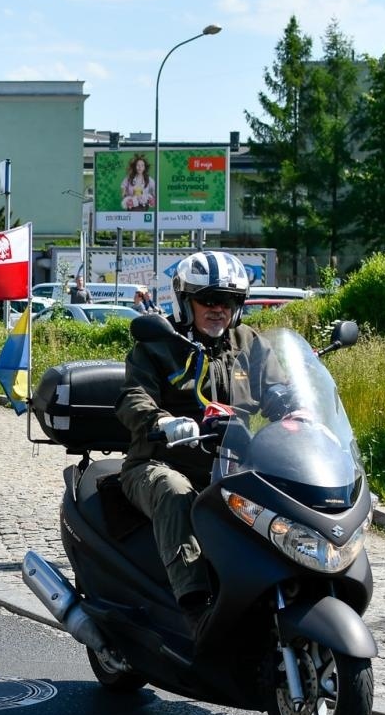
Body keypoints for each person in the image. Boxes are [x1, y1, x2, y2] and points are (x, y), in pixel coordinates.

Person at [115, 250, 286, 625]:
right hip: (160, 461)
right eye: (207, 299)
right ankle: (194, 606)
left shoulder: (249, 343)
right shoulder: (159, 344)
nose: (218, 309)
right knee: (175, 492)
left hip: (232, 463)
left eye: (227, 301)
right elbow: (133, 398)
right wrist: (162, 421)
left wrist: (297, 408)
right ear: (185, 300)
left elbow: (277, 388)